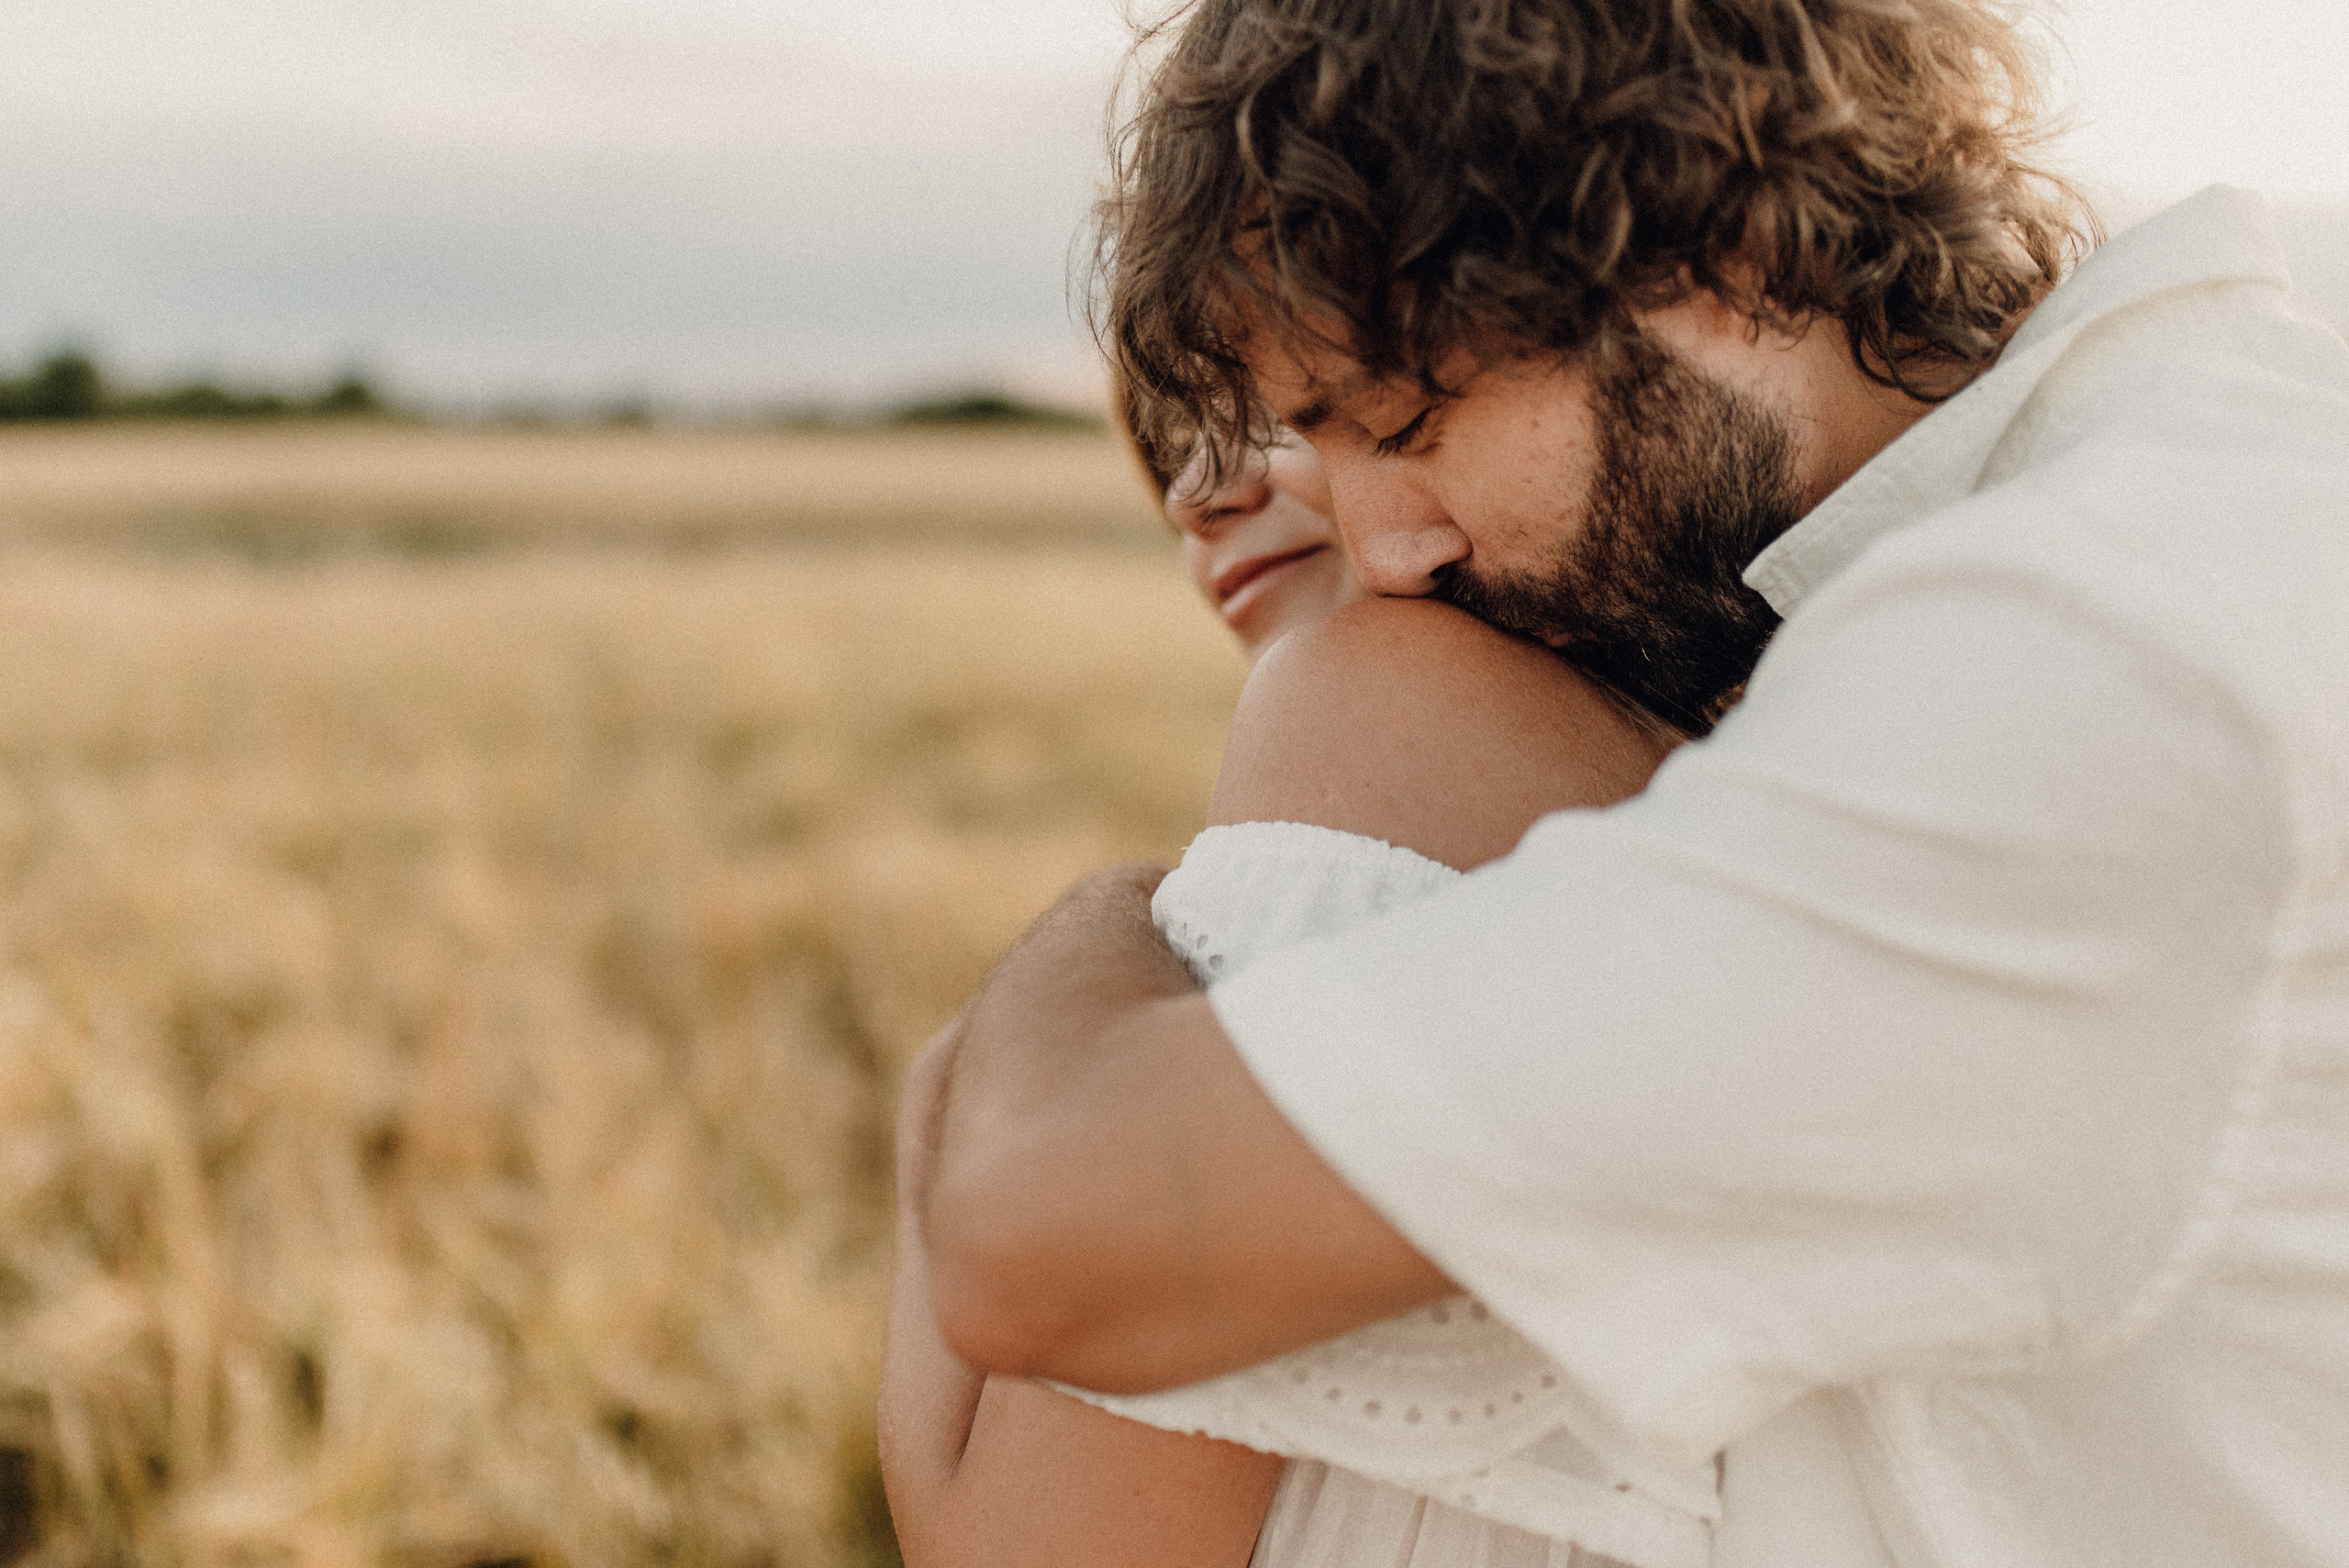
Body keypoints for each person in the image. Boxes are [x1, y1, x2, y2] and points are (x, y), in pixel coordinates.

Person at [919, 1, 2349, 1564]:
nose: (1387, 544)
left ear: (1721, 245)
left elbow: (1035, 1239)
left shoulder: (2079, 673)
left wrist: (1119, 919)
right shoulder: (2199, 480)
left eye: (1406, 425)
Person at [880, 412, 1680, 1564]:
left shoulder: (1382, 712)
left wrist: (959, 1093)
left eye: (1279, 409)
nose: (1193, 496)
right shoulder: (1721, 774)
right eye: (1167, 450)